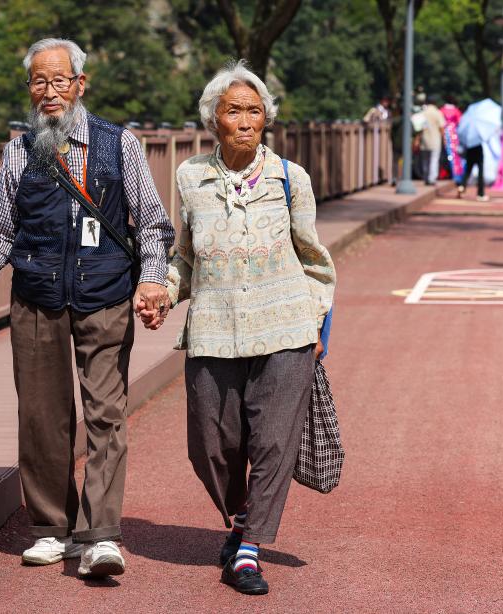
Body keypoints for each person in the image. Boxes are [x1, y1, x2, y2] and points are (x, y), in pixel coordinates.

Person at [0, 37, 174, 579]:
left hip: (105, 295)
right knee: (42, 418)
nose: (49, 92)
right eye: (38, 82)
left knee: (106, 415)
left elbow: (153, 223)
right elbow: (2, 231)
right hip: (38, 298)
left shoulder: (121, 145)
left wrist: (153, 280)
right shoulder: (19, 151)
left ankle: (100, 535)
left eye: (59, 81)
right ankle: (52, 529)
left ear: (80, 84)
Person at [138, 60, 335, 596]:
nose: (246, 121)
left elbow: (316, 261)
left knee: (273, 441)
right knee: (210, 442)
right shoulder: (190, 178)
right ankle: (242, 515)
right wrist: (162, 288)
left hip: (287, 327)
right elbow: (184, 257)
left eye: (255, 111)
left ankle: (248, 550)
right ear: (213, 120)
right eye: (234, 111)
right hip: (214, 330)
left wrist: (319, 322)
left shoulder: (291, 179)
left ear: (266, 120)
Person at [417, 93, 446, 185]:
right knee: (434, 159)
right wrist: (444, 139)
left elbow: (419, 127)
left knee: (425, 160)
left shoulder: (423, 113)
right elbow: (441, 127)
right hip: (435, 139)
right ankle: (432, 178)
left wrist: (417, 139)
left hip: (424, 139)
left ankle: (426, 177)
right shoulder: (437, 113)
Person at [440, 95, 464, 182]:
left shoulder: (441, 110)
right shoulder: (456, 111)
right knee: (455, 155)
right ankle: (456, 174)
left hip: (444, 133)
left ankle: (445, 173)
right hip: (454, 134)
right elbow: (460, 122)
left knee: (446, 154)